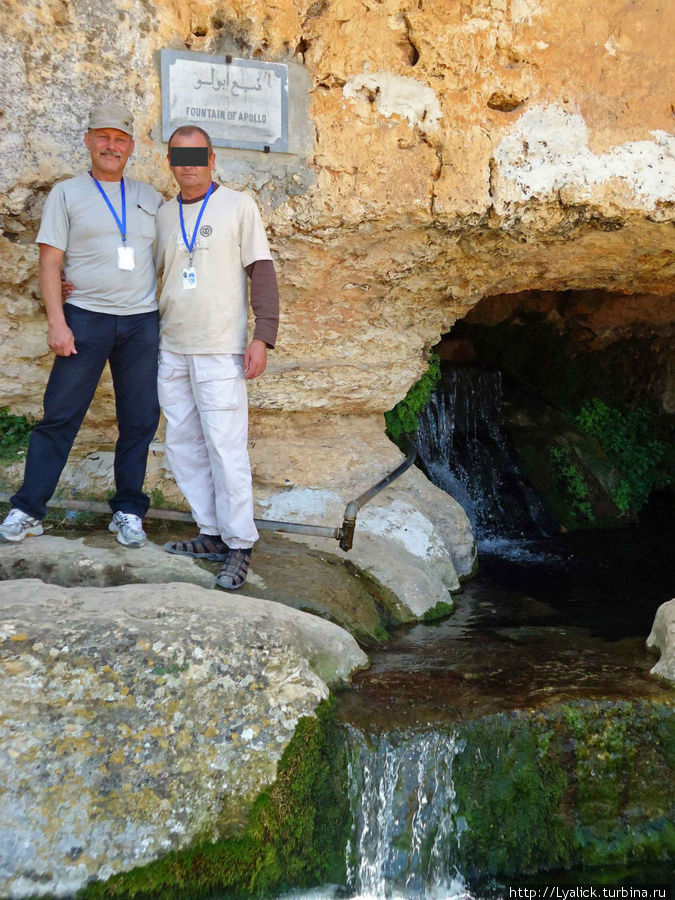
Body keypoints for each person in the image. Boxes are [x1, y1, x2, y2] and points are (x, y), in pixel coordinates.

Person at [0, 103, 162, 549]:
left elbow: (170, 257)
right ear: (88, 141)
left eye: (121, 139)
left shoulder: (151, 197)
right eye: (103, 137)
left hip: (141, 323)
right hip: (85, 319)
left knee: (139, 420)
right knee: (60, 416)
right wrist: (57, 322)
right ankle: (28, 509)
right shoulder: (66, 194)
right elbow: (49, 263)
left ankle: (128, 511)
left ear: (131, 147)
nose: (112, 146)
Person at [156, 125, 279, 590]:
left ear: (212, 159)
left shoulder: (238, 206)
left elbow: (261, 273)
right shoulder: (165, 215)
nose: (188, 165)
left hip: (220, 347)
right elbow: (155, 278)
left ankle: (240, 543)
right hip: (173, 347)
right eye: (179, 156)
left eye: (196, 155)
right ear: (170, 162)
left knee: (226, 449)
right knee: (183, 443)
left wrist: (262, 336)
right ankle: (210, 532)